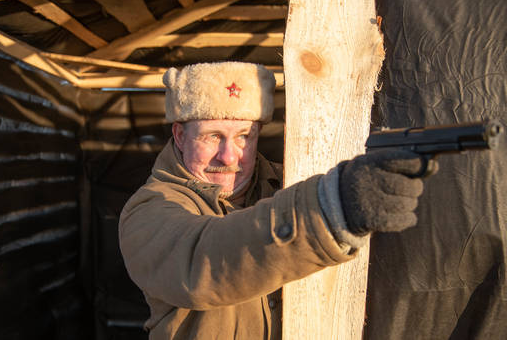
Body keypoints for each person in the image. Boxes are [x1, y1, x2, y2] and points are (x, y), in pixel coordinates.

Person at [119, 61, 428, 340]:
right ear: (180, 135)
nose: (229, 156)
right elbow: (203, 261)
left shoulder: (291, 183)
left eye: (244, 136)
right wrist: (330, 210)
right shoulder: (148, 209)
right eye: (213, 136)